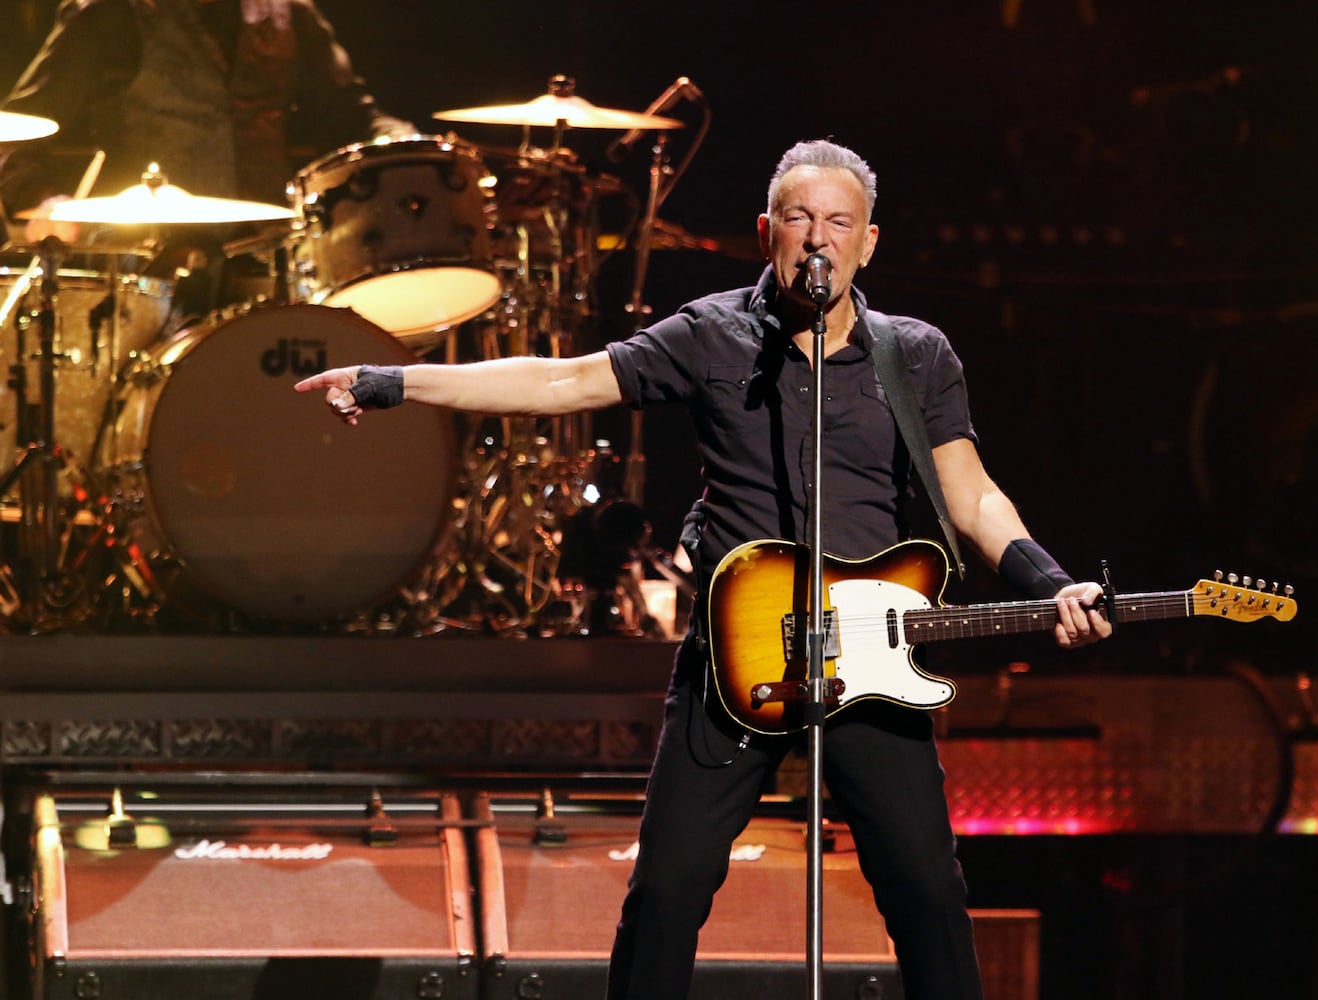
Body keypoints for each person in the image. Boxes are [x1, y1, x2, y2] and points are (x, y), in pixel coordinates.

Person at [296, 138, 1112, 999]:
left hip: (868, 659)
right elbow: (565, 382)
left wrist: (1048, 583)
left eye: (840, 223)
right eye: (799, 220)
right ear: (768, 232)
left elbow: (971, 495)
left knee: (926, 890)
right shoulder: (712, 334)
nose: (818, 240)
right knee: (670, 889)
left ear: (869, 243)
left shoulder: (915, 355)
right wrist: (399, 382)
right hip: (735, 657)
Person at [0, 0, 412, 309]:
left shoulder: (287, 12)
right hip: (147, 264)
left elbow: (353, 115)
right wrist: (45, 202)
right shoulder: (112, 13)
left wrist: (407, 143)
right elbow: (14, 132)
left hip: (271, 256)